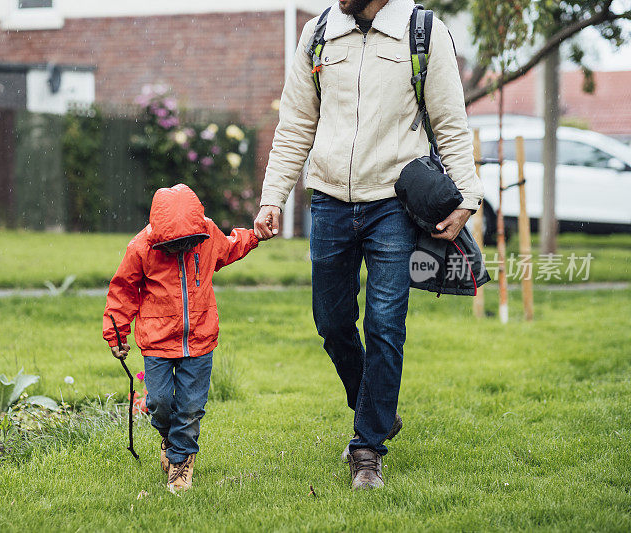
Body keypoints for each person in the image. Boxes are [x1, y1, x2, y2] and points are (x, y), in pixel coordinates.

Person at [253, 0, 484, 489]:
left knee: (384, 322)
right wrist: (273, 196)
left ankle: (367, 449)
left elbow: (450, 123)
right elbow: (296, 122)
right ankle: (377, 408)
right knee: (332, 322)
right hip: (330, 202)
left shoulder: (423, 32)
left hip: (394, 204)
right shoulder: (319, 33)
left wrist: (467, 197)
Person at [103, 183, 259, 492]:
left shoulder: (207, 236)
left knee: (189, 407)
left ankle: (181, 462)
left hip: (200, 341)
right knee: (159, 402)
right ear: (159, 237)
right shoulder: (141, 248)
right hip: (157, 343)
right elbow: (123, 290)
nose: (180, 250)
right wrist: (117, 333)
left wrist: (254, 236)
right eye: (172, 245)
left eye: (187, 243)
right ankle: (169, 436)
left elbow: (228, 247)